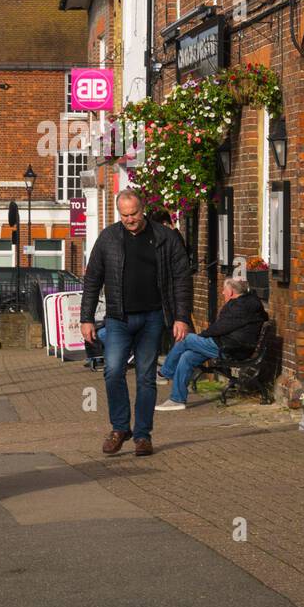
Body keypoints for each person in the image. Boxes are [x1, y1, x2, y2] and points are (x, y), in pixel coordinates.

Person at [80, 188, 193, 457]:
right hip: (119, 318)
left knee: (145, 377)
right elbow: (93, 279)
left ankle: (142, 435)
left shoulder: (165, 237)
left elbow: (181, 279)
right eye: (124, 215)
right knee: (113, 371)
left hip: (153, 317)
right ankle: (120, 428)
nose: (129, 219)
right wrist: (86, 319)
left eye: (134, 214)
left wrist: (181, 317)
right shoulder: (108, 238)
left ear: (143, 209)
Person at [157, 276, 267, 410]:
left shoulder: (239, 307)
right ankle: (177, 400)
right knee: (187, 357)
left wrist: (201, 336)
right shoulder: (248, 303)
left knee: (186, 339)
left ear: (231, 292)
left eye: (224, 290)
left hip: (230, 348)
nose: (222, 293)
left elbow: (220, 328)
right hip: (230, 345)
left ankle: (164, 374)